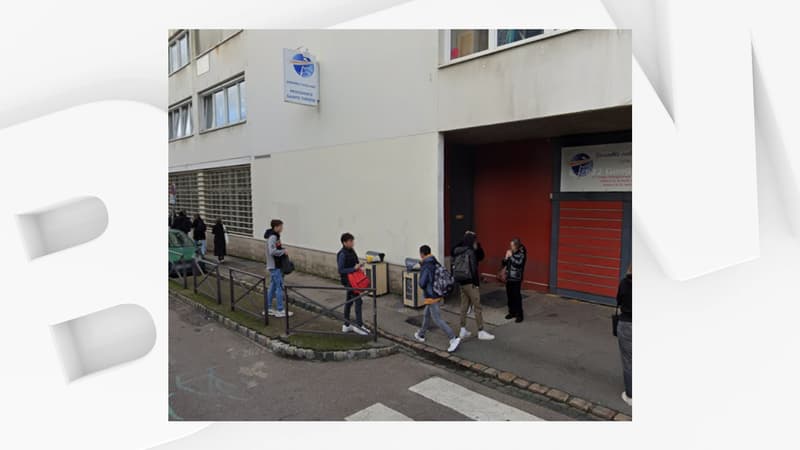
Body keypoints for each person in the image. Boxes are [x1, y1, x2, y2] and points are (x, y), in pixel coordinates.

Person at [413, 245, 461, 352]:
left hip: (431, 295)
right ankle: (421, 334)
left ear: (422, 254)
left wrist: (421, 271)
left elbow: (422, 283)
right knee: (426, 314)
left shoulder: (426, 265)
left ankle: (453, 338)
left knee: (437, 319)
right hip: (437, 292)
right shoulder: (434, 261)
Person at [451, 231, 495, 341]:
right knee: (477, 307)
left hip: (461, 282)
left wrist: (464, 238)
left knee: (464, 306)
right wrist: (476, 283)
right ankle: (481, 331)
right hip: (471, 283)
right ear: (472, 241)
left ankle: (462, 329)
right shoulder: (472, 251)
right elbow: (481, 257)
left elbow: (452, 250)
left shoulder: (457, 250)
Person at [337, 232, 369, 335]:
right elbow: (341, 270)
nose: (353, 243)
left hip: (354, 280)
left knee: (349, 301)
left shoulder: (351, 251)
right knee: (358, 301)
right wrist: (353, 269)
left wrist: (359, 266)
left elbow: (354, 262)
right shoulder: (342, 254)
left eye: (353, 241)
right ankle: (359, 326)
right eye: (350, 241)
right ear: (344, 242)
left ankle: (346, 324)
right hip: (348, 281)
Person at [264, 219, 292, 318]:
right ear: (276, 227)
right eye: (281, 226)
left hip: (274, 265)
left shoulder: (274, 236)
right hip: (275, 265)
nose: (282, 228)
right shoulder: (273, 237)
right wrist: (283, 252)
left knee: (272, 287)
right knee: (279, 287)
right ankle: (280, 310)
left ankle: (268, 308)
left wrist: (282, 249)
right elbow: (272, 251)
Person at [616, 264, 632, 407]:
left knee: (628, 361)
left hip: (627, 323)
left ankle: (631, 396)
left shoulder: (624, 283)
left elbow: (619, 300)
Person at [502, 238, 527, 322]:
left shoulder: (522, 253)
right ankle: (511, 312)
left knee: (516, 296)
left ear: (516, 246)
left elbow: (519, 264)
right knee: (509, 296)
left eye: (512, 245)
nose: (510, 247)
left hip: (516, 278)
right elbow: (503, 264)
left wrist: (511, 256)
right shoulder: (510, 252)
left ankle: (519, 314)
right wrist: (505, 258)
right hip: (509, 277)